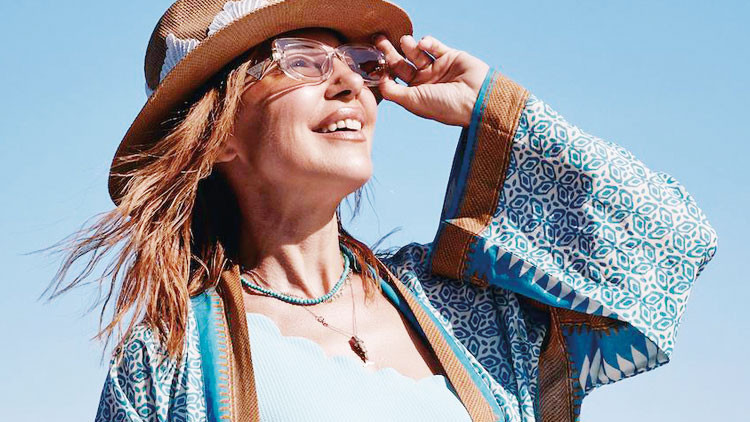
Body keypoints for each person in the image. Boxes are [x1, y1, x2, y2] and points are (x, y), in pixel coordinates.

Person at [49, 0, 717, 421]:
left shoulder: (464, 311)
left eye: (360, 63)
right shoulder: (168, 365)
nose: (350, 83)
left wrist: (491, 107)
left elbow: (671, 240)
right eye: (302, 62)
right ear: (219, 134)